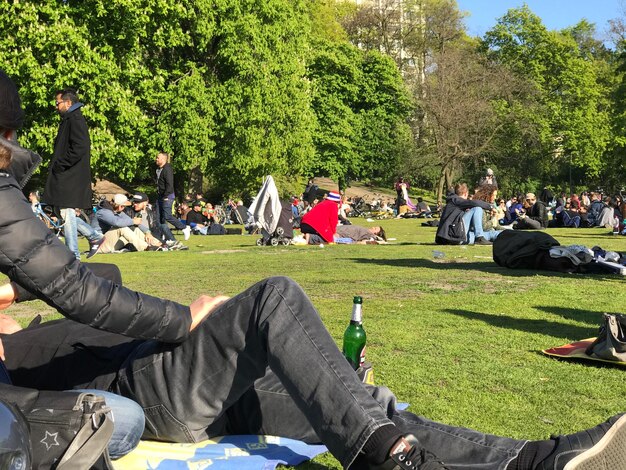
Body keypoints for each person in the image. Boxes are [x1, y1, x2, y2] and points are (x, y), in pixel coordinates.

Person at [3, 72, 626, 470]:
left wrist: (14, 291)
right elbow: (75, 289)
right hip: (152, 385)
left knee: (362, 408)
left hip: (199, 390)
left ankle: (538, 460)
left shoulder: (26, 326)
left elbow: (91, 279)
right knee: (274, 299)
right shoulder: (17, 370)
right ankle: (383, 458)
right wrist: (185, 316)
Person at [43, 87, 104, 259]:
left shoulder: (75, 119)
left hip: (70, 177)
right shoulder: (70, 119)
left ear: (68, 103)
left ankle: (73, 255)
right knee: (64, 212)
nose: (56, 106)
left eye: (57, 103)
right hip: (68, 176)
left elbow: (80, 147)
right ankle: (94, 237)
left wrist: (60, 165)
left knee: (66, 212)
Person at [92, 193, 156, 252]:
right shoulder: (103, 212)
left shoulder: (117, 212)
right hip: (98, 246)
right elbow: (117, 223)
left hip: (109, 243)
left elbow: (133, 222)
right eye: (124, 206)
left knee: (135, 229)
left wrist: (147, 232)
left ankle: (157, 244)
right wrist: (133, 221)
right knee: (122, 228)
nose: (124, 208)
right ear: (120, 206)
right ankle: (146, 247)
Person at [155, 151, 191, 242]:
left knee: (167, 216)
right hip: (160, 196)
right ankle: (167, 237)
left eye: (158, 158)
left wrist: (166, 195)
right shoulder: (159, 169)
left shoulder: (167, 169)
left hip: (167, 196)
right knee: (160, 219)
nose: (156, 159)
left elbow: (169, 184)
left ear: (163, 159)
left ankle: (184, 228)